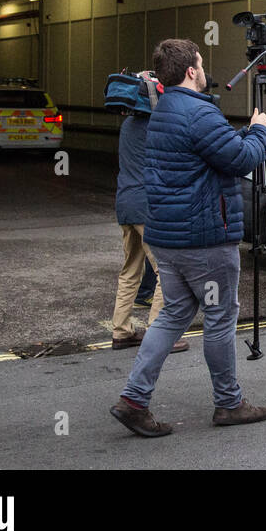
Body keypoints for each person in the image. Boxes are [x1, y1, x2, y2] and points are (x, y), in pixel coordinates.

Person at [110, 39, 266, 437]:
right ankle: (229, 403)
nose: (204, 69)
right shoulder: (200, 112)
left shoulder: (162, 110)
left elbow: (208, 153)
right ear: (190, 71)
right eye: (200, 64)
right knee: (219, 319)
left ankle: (134, 399)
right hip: (205, 240)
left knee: (173, 315)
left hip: (168, 238)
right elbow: (241, 160)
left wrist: (239, 135)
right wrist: (260, 132)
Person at [111, 110, 188, 354]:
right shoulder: (156, 124)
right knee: (166, 271)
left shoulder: (127, 124)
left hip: (125, 204)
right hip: (146, 207)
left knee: (130, 271)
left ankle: (121, 332)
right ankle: (159, 334)